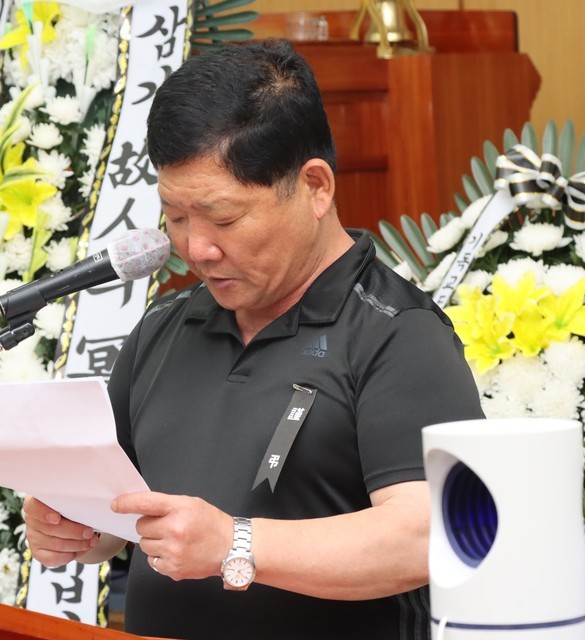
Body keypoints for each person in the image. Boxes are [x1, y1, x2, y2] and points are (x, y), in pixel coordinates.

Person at [24, 40, 484, 640]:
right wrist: (79, 527)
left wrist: (235, 544)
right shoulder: (166, 327)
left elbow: (431, 534)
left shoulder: (397, 333)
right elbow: (129, 511)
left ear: (315, 187)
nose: (196, 249)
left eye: (224, 218)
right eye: (176, 216)